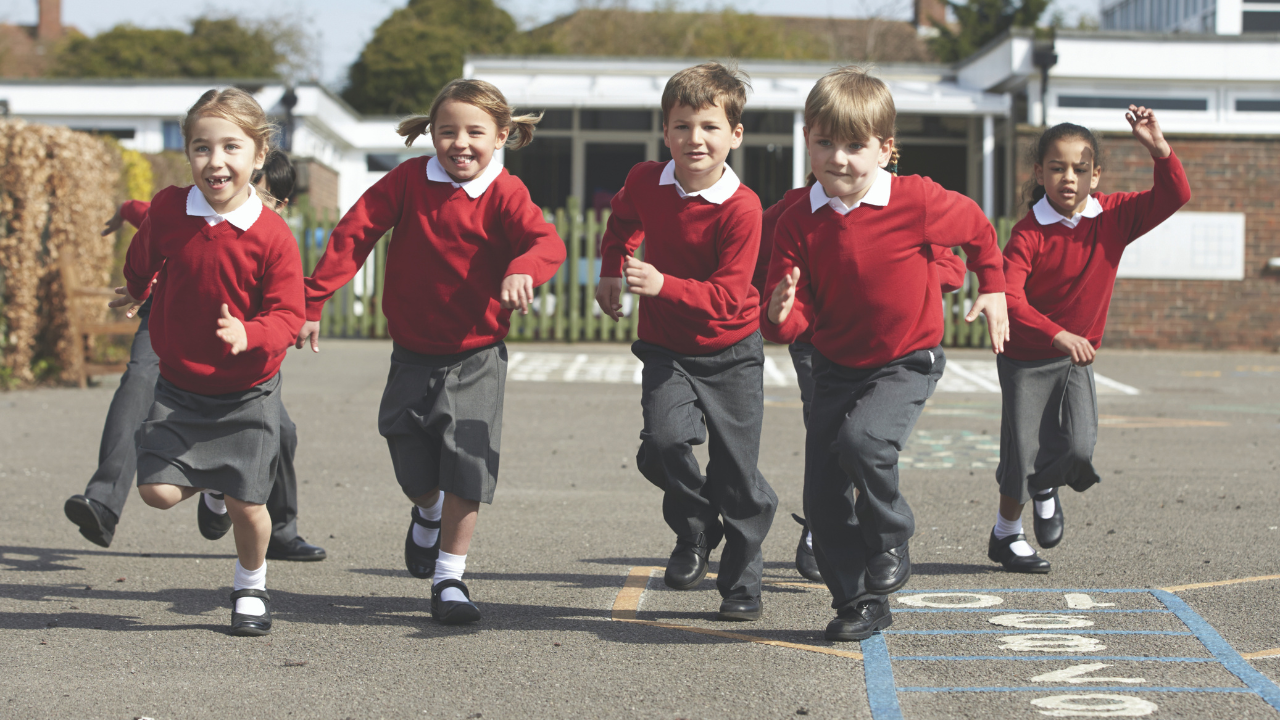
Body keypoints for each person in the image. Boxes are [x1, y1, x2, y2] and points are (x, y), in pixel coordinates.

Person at [296, 79, 565, 624]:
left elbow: (546, 243)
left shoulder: (506, 192)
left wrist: (523, 269)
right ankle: (427, 512)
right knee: (413, 469)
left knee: (467, 464)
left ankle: (450, 579)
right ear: (432, 134)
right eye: (447, 131)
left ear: (501, 136)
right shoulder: (409, 180)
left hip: (477, 355)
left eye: (475, 132)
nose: (460, 143)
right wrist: (313, 299)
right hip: (412, 354)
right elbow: (354, 233)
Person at [763, 66, 1008, 641]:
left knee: (863, 441)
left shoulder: (915, 199)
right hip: (835, 365)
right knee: (822, 497)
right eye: (825, 142)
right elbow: (794, 324)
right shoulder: (797, 221)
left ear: (885, 149)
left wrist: (994, 285)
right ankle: (859, 602)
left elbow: (976, 229)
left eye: (855, 146)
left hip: (906, 359)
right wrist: (778, 313)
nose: (838, 158)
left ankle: (891, 533)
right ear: (807, 140)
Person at [64, 151, 327, 563]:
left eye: (261, 194)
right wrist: (124, 214)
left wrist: (289, 319)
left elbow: (286, 304)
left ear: (280, 204)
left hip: (235, 336)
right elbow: (147, 215)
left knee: (283, 431)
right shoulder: (187, 209)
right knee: (139, 382)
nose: (243, 197)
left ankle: (275, 528)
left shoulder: (269, 237)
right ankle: (103, 500)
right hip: (171, 319)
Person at [111, 88, 306, 636]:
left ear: (259, 154)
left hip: (248, 391)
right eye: (202, 147)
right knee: (156, 492)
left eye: (230, 147)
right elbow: (144, 253)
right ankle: (214, 487)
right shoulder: (171, 208)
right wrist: (136, 288)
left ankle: (250, 587)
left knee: (248, 506)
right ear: (188, 152)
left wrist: (251, 332)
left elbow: (287, 314)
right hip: (180, 386)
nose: (215, 161)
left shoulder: (272, 235)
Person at [597, 62, 777, 622]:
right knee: (663, 443)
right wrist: (610, 269)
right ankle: (696, 528)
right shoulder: (646, 180)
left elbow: (728, 296)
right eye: (682, 126)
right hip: (666, 348)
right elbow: (621, 221)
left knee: (736, 474)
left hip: (732, 351)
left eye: (709, 126)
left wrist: (662, 284)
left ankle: (742, 583)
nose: (695, 138)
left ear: (735, 135)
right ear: (665, 131)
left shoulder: (743, 208)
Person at [988, 107, 1189, 573]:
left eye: (1080, 169)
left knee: (1078, 448)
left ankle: (1047, 485)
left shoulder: (1114, 215)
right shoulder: (1027, 233)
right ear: (1039, 172)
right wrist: (1056, 334)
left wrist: (1159, 148)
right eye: (1057, 168)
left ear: (1095, 175)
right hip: (1026, 358)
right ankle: (1006, 534)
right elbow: (1009, 298)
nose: (1069, 178)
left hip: (1075, 358)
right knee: (1022, 452)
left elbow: (1175, 194)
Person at [755, 168, 970, 584]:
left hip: (884, 345)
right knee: (829, 435)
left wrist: (896, 273)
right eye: (829, 146)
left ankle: (878, 533)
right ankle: (822, 525)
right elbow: (757, 263)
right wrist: (782, 298)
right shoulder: (793, 211)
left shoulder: (905, 206)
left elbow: (952, 268)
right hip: (816, 343)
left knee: (864, 436)